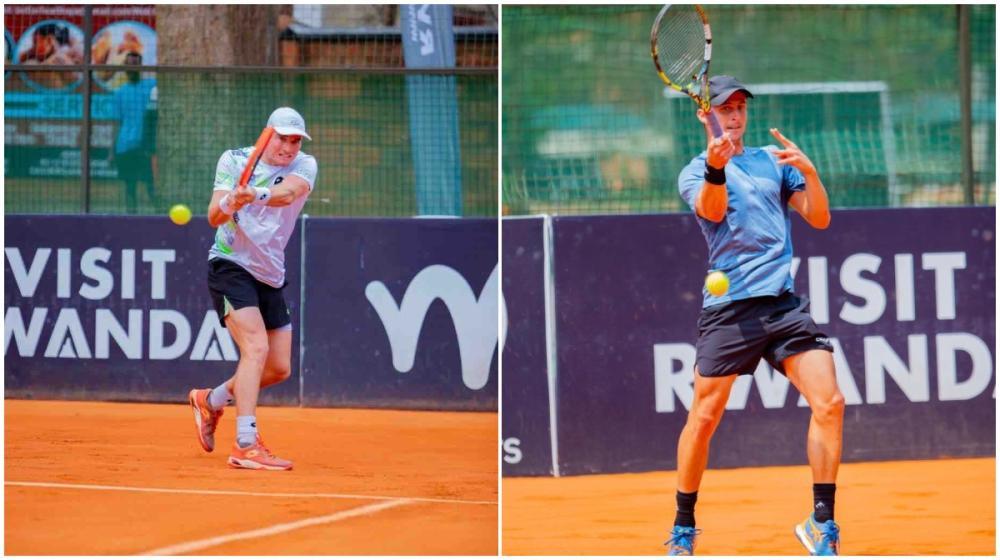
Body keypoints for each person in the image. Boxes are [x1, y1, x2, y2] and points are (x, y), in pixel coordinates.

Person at [665, 76, 844, 556]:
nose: (735, 115)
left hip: (782, 305)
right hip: (730, 312)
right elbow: (712, 210)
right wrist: (716, 167)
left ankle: (821, 522)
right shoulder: (694, 171)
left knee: (830, 402)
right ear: (705, 114)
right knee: (704, 417)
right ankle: (683, 526)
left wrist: (811, 173)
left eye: (740, 107)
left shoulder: (772, 161)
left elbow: (819, 218)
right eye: (725, 108)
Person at [188, 107, 317, 470]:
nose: (289, 147)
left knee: (278, 369)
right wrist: (230, 201)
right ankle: (246, 443)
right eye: (282, 139)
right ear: (267, 135)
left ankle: (210, 401)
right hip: (230, 264)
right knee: (256, 348)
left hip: (270, 273)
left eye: (295, 141)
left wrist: (254, 194)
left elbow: (288, 194)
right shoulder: (233, 161)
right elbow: (214, 215)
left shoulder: (306, 164)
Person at [111, 52, 157, 213]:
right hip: (125, 146)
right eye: (129, 64)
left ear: (141, 67)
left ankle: (160, 218)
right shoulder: (119, 93)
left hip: (145, 147)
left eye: (135, 64)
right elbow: (116, 124)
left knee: (152, 185)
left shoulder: (152, 85)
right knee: (130, 188)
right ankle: (130, 219)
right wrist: (112, 151)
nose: (131, 68)